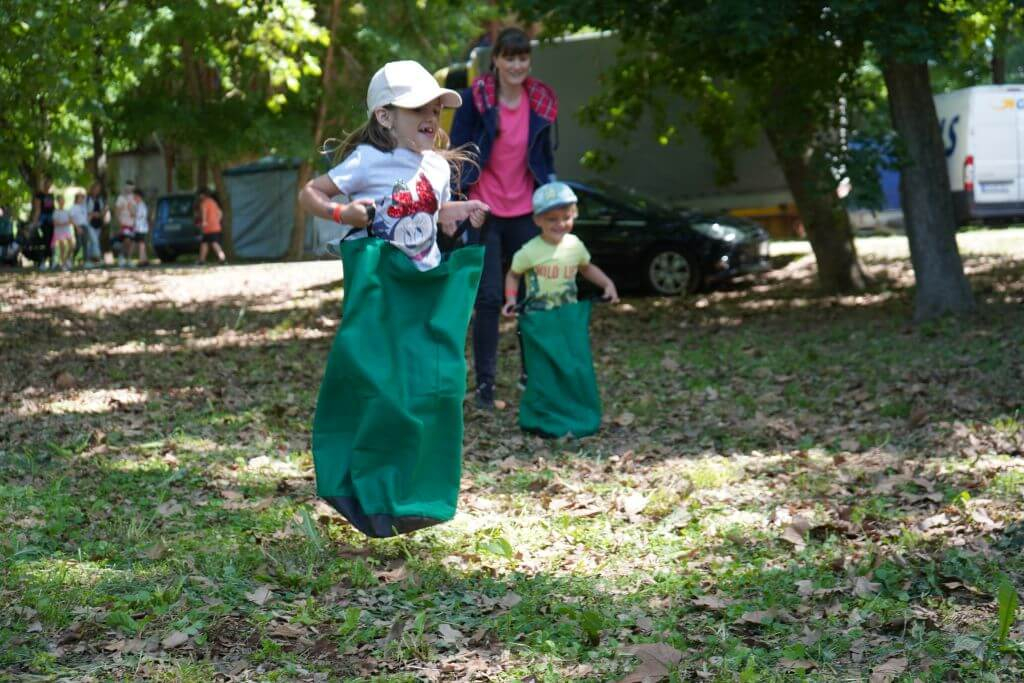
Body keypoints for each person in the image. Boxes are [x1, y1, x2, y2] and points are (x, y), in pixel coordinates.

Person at [449, 26, 559, 408]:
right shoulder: (475, 99)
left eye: (522, 58)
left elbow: (545, 159)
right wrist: (458, 202)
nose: (516, 65)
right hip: (484, 210)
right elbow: (458, 152)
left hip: (526, 211)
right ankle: (485, 385)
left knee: (532, 296)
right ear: (495, 59)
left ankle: (533, 376)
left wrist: (552, 198)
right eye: (509, 57)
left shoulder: (540, 101)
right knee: (489, 298)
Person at [297, 60, 488, 268]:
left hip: (423, 278)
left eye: (436, 110)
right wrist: (341, 213)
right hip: (379, 280)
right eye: (418, 109)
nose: (432, 118)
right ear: (385, 117)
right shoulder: (368, 160)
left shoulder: (438, 166)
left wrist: (464, 210)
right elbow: (309, 193)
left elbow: (431, 212)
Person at [502, 182, 618, 317]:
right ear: (537, 220)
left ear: (575, 214)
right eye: (552, 219)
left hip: (568, 315)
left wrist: (607, 284)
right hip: (538, 318)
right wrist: (511, 299)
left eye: (566, 217)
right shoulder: (528, 251)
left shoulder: (575, 245)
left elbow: (586, 268)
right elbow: (513, 275)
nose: (561, 224)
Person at [28, 176, 56, 270]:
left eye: (50, 183)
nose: (48, 185)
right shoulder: (39, 195)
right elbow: (38, 209)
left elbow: (53, 208)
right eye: (47, 182)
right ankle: (43, 261)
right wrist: (34, 222)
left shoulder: (51, 195)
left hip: (52, 221)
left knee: (51, 241)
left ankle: (51, 260)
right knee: (45, 240)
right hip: (43, 221)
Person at [196, 188, 227, 264]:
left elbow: (204, 212)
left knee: (214, 243)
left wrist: (204, 222)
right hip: (216, 226)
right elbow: (220, 213)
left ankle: (222, 259)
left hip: (209, 227)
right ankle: (201, 260)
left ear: (202, 195)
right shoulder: (213, 202)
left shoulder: (204, 203)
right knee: (204, 243)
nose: (199, 197)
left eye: (200, 195)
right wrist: (217, 221)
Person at [113, 181, 137, 267]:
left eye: (131, 188)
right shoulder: (121, 198)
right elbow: (116, 211)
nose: (129, 189)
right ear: (125, 187)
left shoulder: (134, 198)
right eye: (128, 187)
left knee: (132, 242)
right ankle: (121, 257)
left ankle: (129, 259)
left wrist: (132, 211)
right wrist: (119, 222)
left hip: (132, 223)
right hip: (123, 223)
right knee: (126, 240)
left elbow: (134, 212)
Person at [85, 182, 108, 266]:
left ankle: (90, 260)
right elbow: (84, 211)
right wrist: (93, 214)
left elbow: (103, 210)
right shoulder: (87, 198)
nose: (97, 191)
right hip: (89, 223)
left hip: (98, 223)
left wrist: (102, 214)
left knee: (92, 242)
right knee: (95, 241)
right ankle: (98, 258)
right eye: (96, 189)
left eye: (98, 189)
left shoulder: (100, 199)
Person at [50, 195, 75, 271]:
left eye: (63, 200)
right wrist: (65, 223)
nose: (62, 202)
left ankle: (66, 260)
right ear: (58, 202)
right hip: (59, 232)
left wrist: (65, 223)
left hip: (67, 231)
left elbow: (71, 221)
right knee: (62, 247)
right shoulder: (56, 212)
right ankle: (63, 264)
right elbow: (55, 223)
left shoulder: (67, 211)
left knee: (72, 245)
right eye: (60, 200)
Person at [69, 192, 90, 267]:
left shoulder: (84, 207)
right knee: (79, 244)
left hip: (85, 226)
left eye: (82, 198)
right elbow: (71, 219)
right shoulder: (73, 207)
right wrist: (77, 227)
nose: (82, 199)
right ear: (76, 198)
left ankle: (86, 261)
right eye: (80, 198)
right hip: (78, 227)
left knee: (85, 244)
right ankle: (71, 258)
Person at [132, 188, 150, 266]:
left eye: (135, 197)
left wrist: (131, 211)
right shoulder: (139, 205)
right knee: (141, 243)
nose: (134, 198)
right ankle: (144, 259)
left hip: (141, 228)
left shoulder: (141, 205)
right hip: (140, 227)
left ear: (139, 197)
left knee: (141, 244)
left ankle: (141, 260)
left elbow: (138, 216)